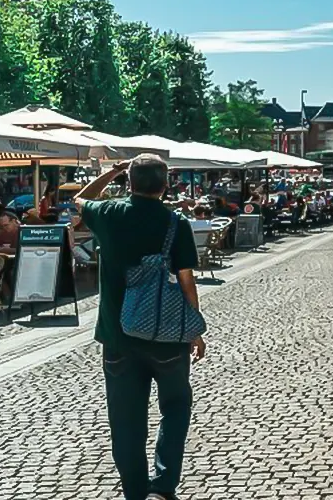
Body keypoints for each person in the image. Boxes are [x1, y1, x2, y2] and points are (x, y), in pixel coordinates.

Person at [76, 155, 204, 500]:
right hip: (167, 335)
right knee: (176, 406)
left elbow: (78, 199)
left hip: (117, 336)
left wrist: (113, 171)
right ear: (166, 185)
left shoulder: (109, 213)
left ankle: (135, 492)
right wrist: (195, 327)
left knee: (125, 420)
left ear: (129, 183)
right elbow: (186, 279)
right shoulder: (176, 223)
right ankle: (162, 488)